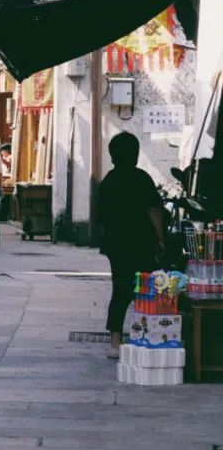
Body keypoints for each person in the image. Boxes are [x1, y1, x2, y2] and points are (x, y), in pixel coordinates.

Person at [97, 132, 165, 359]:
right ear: (135, 154)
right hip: (142, 242)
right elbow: (154, 211)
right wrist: (161, 239)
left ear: (113, 156)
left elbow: (101, 217)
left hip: (117, 244)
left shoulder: (108, 181)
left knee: (120, 289)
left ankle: (115, 342)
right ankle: (143, 335)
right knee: (144, 290)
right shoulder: (141, 179)